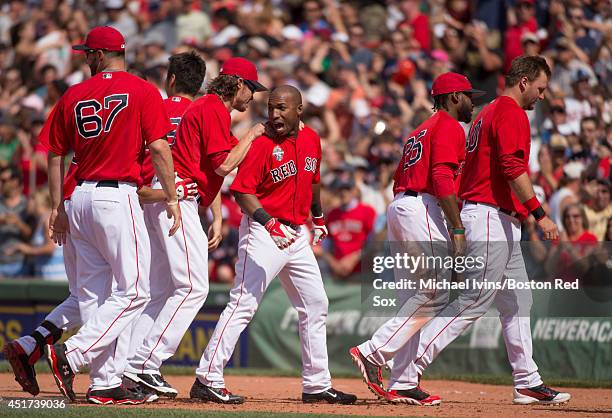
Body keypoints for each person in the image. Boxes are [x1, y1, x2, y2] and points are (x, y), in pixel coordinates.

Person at [405, 55, 571, 405]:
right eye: (540, 88)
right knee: (473, 301)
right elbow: (512, 166)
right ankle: (407, 369)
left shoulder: (489, 111)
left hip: (498, 217)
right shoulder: (510, 111)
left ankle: (527, 380)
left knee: (517, 300)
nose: (542, 96)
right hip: (490, 216)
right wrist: (539, 213)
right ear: (524, 81)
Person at [192, 85, 356, 405]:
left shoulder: (311, 139)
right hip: (264, 230)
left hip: (296, 235)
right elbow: (242, 191)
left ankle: (316, 384)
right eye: (270, 108)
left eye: (282, 108)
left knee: (315, 304)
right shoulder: (262, 143)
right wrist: (269, 223)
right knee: (244, 303)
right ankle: (207, 377)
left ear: (299, 110)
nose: (274, 114)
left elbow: (314, 179)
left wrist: (318, 217)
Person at [43, 26, 180, 405]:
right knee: (135, 290)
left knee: (94, 296)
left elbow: (54, 152)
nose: (85, 58)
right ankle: (73, 354)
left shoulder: (73, 93)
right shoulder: (142, 90)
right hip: (115, 197)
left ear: (100, 55)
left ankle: (104, 384)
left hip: (79, 197)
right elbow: (158, 148)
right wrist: (171, 198)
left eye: (88, 52)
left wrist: (57, 207)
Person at [349, 72, 481, 405]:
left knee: (416, 296)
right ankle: (373, 352)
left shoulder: (419, 129)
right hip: (422, 205)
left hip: (403, 205)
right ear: (452, 98)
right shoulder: (450, 126)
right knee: (433, 294)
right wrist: (457, 227)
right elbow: (440, 176)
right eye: (467, 95)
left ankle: (404, 381)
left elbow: (403, 177)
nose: (472, 101)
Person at [122, 51, 206, 398]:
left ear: (170, 79)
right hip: (176, 199)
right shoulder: (198, 111)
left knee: (158, 292)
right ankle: (146, 362)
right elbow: (212, 167)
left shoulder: (151, 106)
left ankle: (128, 367)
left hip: (145, 198)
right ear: (199, 85)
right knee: (192, 288)